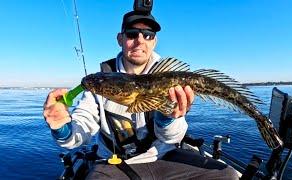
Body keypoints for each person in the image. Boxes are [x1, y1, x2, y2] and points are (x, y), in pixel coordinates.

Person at [43, 10, 238, 179]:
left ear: (155, 42)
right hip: (116, 164)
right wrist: (62, 127)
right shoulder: (101, 85)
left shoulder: (170, 80)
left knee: (226, 175)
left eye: (147, 35)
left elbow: (172, 138)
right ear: (120, 39)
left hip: (164, 157)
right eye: (132, 34)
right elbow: (77, 135)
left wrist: (167, 118)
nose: (139, 41)